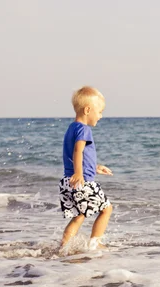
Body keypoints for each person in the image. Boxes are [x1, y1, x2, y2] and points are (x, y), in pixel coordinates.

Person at [58, 86, 113, 251]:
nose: (101, 116)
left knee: (79, 216)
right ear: (88, 110)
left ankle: (64, 247)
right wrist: (80, 173)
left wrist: (94, 168)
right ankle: (95, 242)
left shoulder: (72, 127)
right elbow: (78, 151)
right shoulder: (84, 129)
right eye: (100, 111)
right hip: (82, 181)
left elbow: (75, 155)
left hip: (69, 180)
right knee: (106, 209)